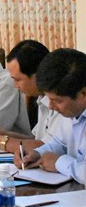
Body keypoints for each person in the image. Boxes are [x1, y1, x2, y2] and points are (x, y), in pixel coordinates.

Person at [0, 40, 70, 161]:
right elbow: (35, 139)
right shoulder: (42, 99)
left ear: (38, 75)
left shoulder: (62, 102)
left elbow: (46, 147)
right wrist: (2, 133)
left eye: (17, 80)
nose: (14, 85)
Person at [22, 48, 86, 184]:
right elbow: (60, 143)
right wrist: (37, 153)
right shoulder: (72, 112)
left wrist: (59, 162)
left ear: (83, 94)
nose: (51, 106)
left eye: (57, 101)